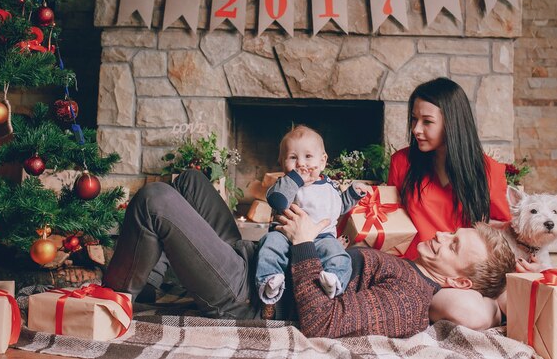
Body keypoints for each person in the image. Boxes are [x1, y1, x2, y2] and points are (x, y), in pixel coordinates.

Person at [103, 167, 516, 338]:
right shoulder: (412, 266)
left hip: (250, 296)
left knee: (156, 199)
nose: (442, 236)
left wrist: (303, 241)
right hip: (255, 257)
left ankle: (109, 303)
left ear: (459, 281)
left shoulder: (410, 300)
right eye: (451, 232)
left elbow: (324, 322)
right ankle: (150, 283)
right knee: (191, 180)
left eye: (454, 244)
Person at [386, 77, 513, 329]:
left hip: (466, 276)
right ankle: (490, 308)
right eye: (414, 119)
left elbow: (500, 230)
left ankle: (492, 303)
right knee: (473, 313)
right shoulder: (402, 162)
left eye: (427, 122)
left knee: (513, 298)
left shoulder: (488, 171)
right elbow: (391, 223)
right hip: (420, 273)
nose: (416, 129)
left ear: (452, 123)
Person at [257, 126, 366, 317]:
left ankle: (333, 280)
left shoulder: (329, 186)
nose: (301, 164)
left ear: (322, 161)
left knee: (339, 255)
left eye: (308, 157)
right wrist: (296, 178)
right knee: (269, 245)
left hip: (323, 237)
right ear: (282, 163)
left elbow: (337, 207)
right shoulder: (285, 184)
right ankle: (270, 281)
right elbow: (278, 200)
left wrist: (353, 194)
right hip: (284, 234)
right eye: (292, 158)